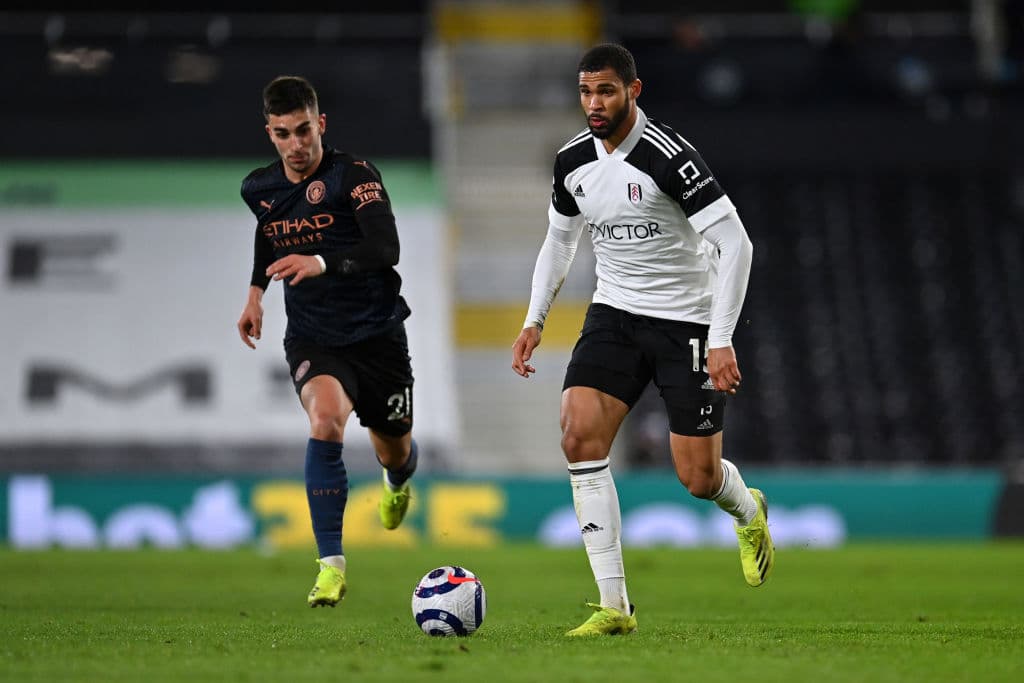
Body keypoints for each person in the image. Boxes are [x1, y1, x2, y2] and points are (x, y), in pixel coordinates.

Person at [511, 44, 774, 636]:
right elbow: (559, 242)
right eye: (585, 92)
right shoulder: (572, 161)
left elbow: (737, 245)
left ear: (634, 90)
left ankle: (747, 508)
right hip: (615, 315)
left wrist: (722, 339)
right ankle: (614, 606)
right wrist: (534, 319)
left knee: (698, 478)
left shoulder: (669, 158)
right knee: (578, 434)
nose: (594, 104)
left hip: (687, 322)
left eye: (606, 91)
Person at [236, 75, 419, 608]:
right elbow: (268, 230)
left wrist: (318, 262)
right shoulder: (259, 188)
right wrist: (255, 293)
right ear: (269, 133)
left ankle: (397, 480)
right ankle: (331, 566)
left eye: (302, 130)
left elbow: (386, 247)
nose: (295, 144)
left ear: (320, 124)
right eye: (282, 134)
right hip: (316, 338)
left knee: (395, 448)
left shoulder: (354, 176)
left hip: (379, 334)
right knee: (325, 421)